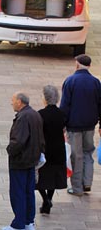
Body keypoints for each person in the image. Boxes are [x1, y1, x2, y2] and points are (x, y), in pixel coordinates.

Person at [1, 92, 45, 230]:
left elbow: (18, 141)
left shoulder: (23, 117)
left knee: (18, 192)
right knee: (28, 191)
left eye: (13, 100)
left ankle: (18, 224)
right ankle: (28, 221)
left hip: (20, 160)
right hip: (31, 159)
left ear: (20, 102)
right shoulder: (35, 114)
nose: (11, 102)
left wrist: (10, 150)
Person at [60, 54, 101, 197]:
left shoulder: (70, 81)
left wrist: (62, 124)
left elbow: (65, 106)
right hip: (90, 125)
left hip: (74, 126)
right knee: (88, 153)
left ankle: (77, 188)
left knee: (76, 156)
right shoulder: (96, 82)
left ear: (77, 65)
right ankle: (87, 183)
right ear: (89, 66)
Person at [37, 85, 67, 215]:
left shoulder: (40, 114)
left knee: (41, 177)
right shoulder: (62, 114)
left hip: (45, 148)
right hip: (58, 148)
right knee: (54, 177)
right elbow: (64, 129)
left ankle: (45, 199)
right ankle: (49, 198)